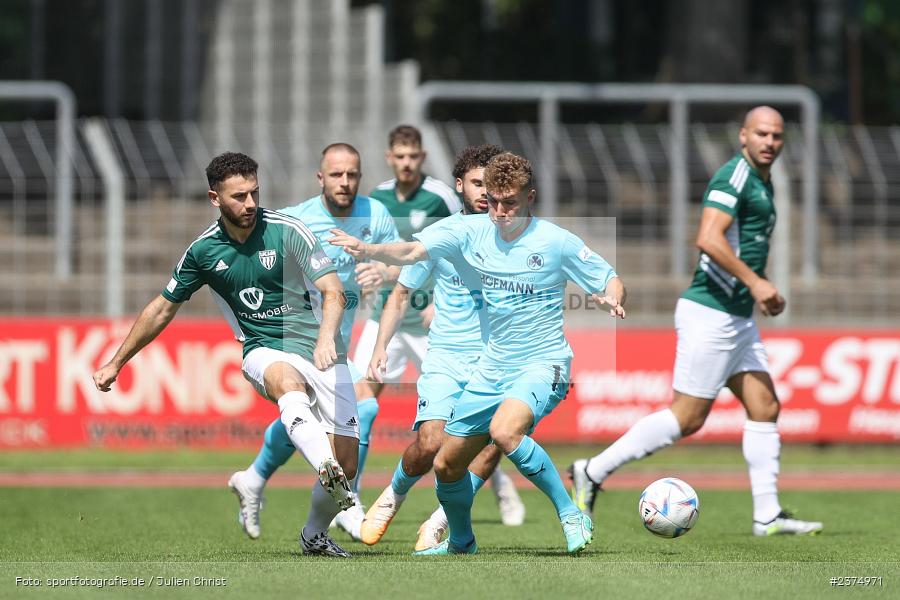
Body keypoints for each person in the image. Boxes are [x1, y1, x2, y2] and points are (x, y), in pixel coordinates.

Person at [330, 152, 626, 555]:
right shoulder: (470, 231)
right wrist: (368, 248)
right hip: (492, 366)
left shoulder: (555, 241)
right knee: (445, 464)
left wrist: (611, 298)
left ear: (531, 198)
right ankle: (461, 541)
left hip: (544, 362)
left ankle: (570, 512)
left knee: (504, 433)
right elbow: (413, 253)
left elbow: (609, 277)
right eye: (496, 200)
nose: (500, 212)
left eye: (511, 203)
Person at [568, 106, 823, 537]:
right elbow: (707, 237)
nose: (769, 142)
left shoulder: (762, 180)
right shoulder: (735, 177)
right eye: (761, 133)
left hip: (736, 318)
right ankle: (592, 470)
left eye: (777, 136)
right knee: (687, 417)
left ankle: (767, 515)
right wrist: (757, 283)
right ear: (743, 136)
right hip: (712, 314)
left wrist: (756, 290)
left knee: (765, 406)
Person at [92, 152, 360, 557]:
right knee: (287, 381)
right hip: (262, 348)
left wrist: (326, 338)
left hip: (321, 348)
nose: (250, 204)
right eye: (239, 197)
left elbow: (333, 291)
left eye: (254, 193)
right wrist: (116, 362)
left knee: (351, 461)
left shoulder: (288, 230)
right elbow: (163, 307)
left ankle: (314, 533)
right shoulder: (203, 252)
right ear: (215, 198)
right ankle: (326, 466)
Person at [227, 143, 401, 542]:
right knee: (365, 406)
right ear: (320, 178)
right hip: (297, 335)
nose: (345, 181)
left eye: (352, 174)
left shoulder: (376, 214)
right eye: (336, 174)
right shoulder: (296, 220)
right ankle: (348, 501)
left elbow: (401, 262)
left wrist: (384, 270)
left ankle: (253, 479)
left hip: (337, 339)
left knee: (304, 416)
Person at [360, 144, 526, 551]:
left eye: (492, 183)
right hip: (449, 358)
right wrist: (381, 344)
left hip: (500, 361)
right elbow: (401, 293)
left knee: (494, 444)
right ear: (460, 186)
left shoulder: (519, 236)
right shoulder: (442, 234)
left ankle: (439, 521)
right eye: (476, 183)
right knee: (432, 443)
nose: (485, 191)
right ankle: (394, 494)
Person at [350, 125, 461, 496]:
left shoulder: (441, 197)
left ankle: (497, 486)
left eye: (413, 156)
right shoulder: (377, 199)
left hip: (430, 323)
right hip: (387, 317)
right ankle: (349, 497)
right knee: (359, 404)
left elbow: (459, 251)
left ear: (423, 157)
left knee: (458, 416)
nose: (407, 163)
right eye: (400, 156)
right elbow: (371, 250)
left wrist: (441, 300)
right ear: (389, 158)